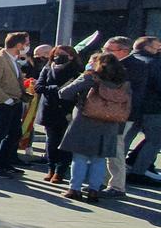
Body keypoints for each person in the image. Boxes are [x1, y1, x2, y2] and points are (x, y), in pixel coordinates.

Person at [58, 52, 131, 203]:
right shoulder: (123, 82)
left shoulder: (91, 77)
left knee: (79, 158)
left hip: (85, 122)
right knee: (99, 159)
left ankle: (75, 189)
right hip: (110, 124)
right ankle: (94, 191)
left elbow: (64, 93)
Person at [103, 36, 152, 198]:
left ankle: (117, 186)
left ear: (124, 51)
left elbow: (132, 94)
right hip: (107, 113)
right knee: (108, 149)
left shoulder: (136, 66)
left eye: (109, 50)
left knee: (116, 150)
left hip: (123, 115)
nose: (105, 52)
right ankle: (104, 182)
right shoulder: (111, 63)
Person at [0, 32, 30, 176]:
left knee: (15, 133)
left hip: (14, 102)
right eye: (26, 43)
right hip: (1, 103)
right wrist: (6, 100)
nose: (28, 46)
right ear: (18, 45)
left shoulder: (12, 59)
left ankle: (5, 163)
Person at [34, 45, 81, 183]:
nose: (57, 57)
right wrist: (57, 89)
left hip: (67, 110)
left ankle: (61, 171)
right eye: (55, 54)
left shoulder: (76, 70)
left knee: (65, 142)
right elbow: (39, 87)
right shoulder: (48, 68)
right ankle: (51, 168)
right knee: (51, 141)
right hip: (50, 109)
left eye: (61, 54)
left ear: (71, 56)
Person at [126, 36, 161, 184]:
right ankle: (138, 172)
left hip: (130, 107)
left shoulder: (126, 61)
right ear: (147, 47)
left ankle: (123, 165)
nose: (159, 49)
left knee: (126, 138)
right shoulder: (155, 63)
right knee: (155, 140)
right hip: (153, 108)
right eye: (157, 47)